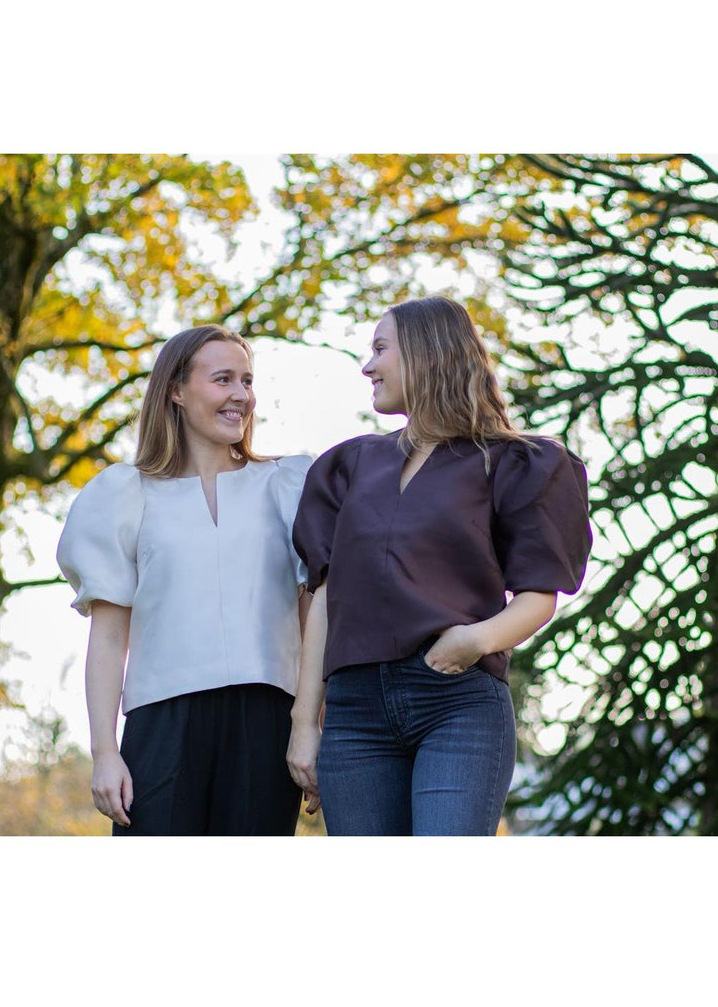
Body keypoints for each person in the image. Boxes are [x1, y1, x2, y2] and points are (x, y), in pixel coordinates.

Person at [286, 296, 592, 836]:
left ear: (426, 353)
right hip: (355, 717)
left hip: (457, 702)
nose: (368, 366)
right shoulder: (348, 465)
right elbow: (326, 597)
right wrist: (304, 723)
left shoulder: (514, 461)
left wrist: (475, 641)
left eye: (380, 349)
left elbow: (538, 597)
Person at [56, 325, 311, 836]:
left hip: (267, 720)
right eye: (223, 379)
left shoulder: (288, 485)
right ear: (176, 390)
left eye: (247, 380)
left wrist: (313, 723)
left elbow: (313, 617)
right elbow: (108, 636)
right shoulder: (126, 495)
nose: (241, 395)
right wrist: (104, 752)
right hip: (161, 724)